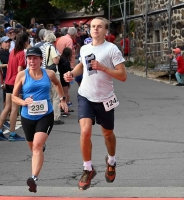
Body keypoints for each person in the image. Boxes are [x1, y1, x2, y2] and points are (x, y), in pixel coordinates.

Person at [64, 17, 127, 190]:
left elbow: (122, 76)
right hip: (85, 95)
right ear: (89, 30)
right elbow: (81, 67)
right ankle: (87, 168)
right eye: (93, 27)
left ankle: (111, 160)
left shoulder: (112, 49)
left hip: (105, 98)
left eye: (99, 27)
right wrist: (71, 73)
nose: (95, 29)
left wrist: (103, 68)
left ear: (106, 30)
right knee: (85, 132)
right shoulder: (84, 48)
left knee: (108, 134)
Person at [12, 46, 68, 193]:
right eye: (29, 58)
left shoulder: (48, 73)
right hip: (27, 116)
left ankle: (34, 178)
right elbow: (13, 96)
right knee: (34, 148)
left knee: (37, 146)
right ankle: (39, 150)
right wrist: (24, 102)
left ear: (41, 60)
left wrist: (62, 100)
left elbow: (57, 84)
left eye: (35, 58)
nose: (32, 61)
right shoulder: (22, 75)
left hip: (45, 115)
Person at [0, 33, 29, 141]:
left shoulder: (12, 52)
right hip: (15, 82)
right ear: (24, 42)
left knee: (7, 107)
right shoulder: (21, 53)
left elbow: (10, 67)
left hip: (9, 81)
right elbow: (19, 70)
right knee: (14, 109)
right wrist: (23, 81)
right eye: (27, 41)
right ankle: (12, 133)